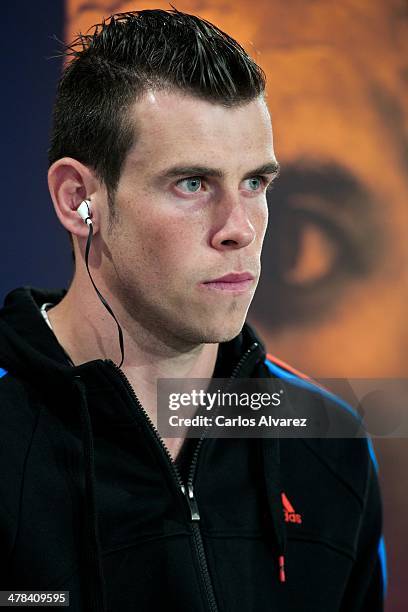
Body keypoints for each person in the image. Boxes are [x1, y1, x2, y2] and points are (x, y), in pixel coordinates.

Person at [0, 8, 385, 611]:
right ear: (79, 201)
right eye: (192, 184)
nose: (239, 228)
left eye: (256, 183)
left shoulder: (327, 442)